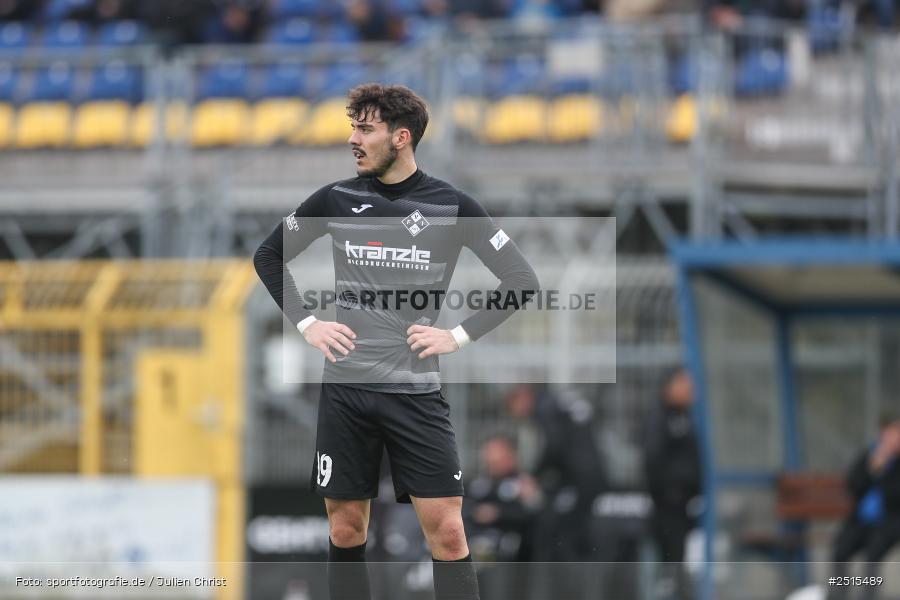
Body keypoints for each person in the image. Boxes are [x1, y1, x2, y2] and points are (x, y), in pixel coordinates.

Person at [253, 83, 539, 600]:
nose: (352, 139)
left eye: (365, 129)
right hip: (346, 392)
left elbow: (521, 281)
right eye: (353, 127)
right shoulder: (336, 198)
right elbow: (268, 256)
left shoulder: (452, 205)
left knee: (449, 535)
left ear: (401, 137)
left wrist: (456, 335)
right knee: (346, 531)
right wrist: (307, 324)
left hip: (415, 395)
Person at [644, 368, 702, 599]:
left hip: (686, 505)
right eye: (684, 383)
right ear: (669, 387)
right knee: (670, 564)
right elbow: (652, 458)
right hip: (668, 506)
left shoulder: (685, 416)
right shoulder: (659, 418)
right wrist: (670, 492)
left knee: (682, 562)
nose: (690, 389)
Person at [828, 417, 900, 600]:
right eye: (889, 435)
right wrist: (872, 469)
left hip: (890, 522)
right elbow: (853, 486)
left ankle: (868, 595)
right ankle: (838, 593)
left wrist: (883, 472)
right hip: (861, 521)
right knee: (841, 550)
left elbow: (894, 496)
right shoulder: (869, 456)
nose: (892, 440)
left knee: (872, 555)